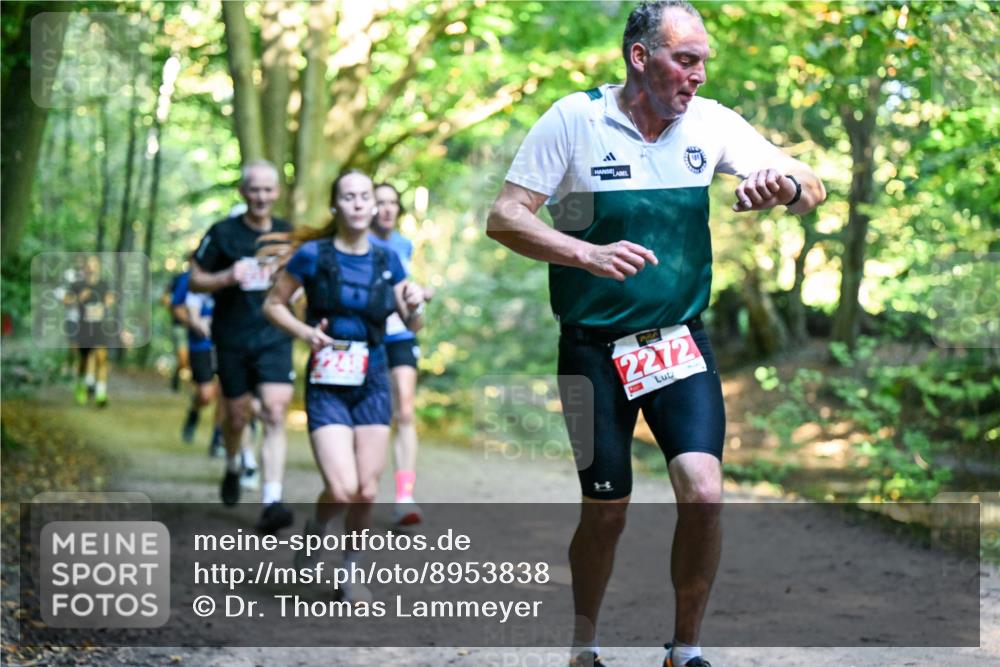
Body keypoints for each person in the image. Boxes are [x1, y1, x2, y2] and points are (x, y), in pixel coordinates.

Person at [486, 2, 826, 666]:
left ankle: (687, 649)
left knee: (703, 490)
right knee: (605, 511)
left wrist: (780, 185)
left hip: (676, 342)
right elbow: (504, 216)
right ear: (641, 57)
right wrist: (583, 254)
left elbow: (811, 185)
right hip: (589, 350)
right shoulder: (575, 120)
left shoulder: (711, 123)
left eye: (704, 61)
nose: (698, 75)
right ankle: (584, 646)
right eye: (685, 59)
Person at [264, 170, 425, 601]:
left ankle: (350, 571)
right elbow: (274, 304)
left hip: (373, 375)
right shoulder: (312, 256)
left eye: (364, 196)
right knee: (341, 488)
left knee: (368, 489)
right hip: (328, 377)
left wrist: (415, 304)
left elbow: (413, 323)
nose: (357, 203)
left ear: (374, 205)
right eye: (348, 196)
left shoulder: (388, 259)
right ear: (335, 206)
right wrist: (304, 333)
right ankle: (317, 530)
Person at [190, 160, 295, 534]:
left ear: (277, 193)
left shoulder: (289, 234)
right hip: (231, 335)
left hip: (274, 335)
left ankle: (272, 500)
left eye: (268, 189)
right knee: (236, 416)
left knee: (275, 411)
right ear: (242, 191)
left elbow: (308, 280)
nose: (261, 197)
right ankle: (234, 464)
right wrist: (226, 276)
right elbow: (195, 279)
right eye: (255, 189)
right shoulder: (222, 233)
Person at [371, 182, 434, 525]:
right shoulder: (356, 242)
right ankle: (357, 488)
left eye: (393, 203)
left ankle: (404, 495)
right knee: (374, 413)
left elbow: (404, 287)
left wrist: (419, 295)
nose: (387, 209)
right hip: (367, 336)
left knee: (405, 410)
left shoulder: (403, 244)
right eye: (380, 202)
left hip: (399, 333)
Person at [65, 254, 115, 408]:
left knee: (101, 358)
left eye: (94, 264)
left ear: (98, 267)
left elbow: (110, 299)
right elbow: (66, 301)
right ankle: (81, 386)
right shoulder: (77, 285)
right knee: (84, 361)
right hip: (84, 328)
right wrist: (79, 298)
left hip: (99, 327)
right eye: (88, 265)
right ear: (84, 268)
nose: (91, 268)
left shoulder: (104, 284)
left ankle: (101, 393)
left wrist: (108, 302)